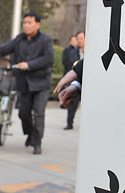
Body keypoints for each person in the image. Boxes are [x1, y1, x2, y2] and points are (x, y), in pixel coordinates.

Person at [0, 12, 53, 155]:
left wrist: (29, 65)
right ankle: (31, 133)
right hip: (24, 83)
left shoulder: (45, 40)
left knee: (39, 113)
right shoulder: (19, 39)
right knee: (23, 114)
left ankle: (37, 143)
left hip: (41, 83)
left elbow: (48, 58)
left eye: (29, 22)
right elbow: (4, 49)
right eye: (25, 23)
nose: (26, 25)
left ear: (37, 24)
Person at [63, 31, 84, 130]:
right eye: (77, 38)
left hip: (88, 84)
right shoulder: (72, 53)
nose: (79, 41)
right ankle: (69, 123)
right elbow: (68, 68)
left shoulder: (92, 51)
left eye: (81, 38)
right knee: (72, 104)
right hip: (76, 82)